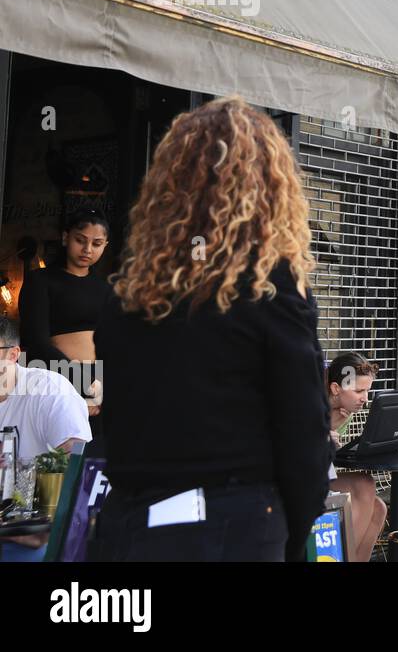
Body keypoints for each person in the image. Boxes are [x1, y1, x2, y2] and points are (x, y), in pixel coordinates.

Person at [91, 96, 331, 562]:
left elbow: (118, 432)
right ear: (269, 191)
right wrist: (286, 532)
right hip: (236, 527)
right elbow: (305, 440)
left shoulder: (126, 300)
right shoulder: (273, 289)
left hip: (131, 528)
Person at [0, 315, 91, 561]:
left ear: (12, 354)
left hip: (34, 536)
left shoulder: (49, 391)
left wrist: (49, 527)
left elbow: (77, 465)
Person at [18, 209, 113, 418]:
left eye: (97, 244)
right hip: (55, 382)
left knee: (96, 449)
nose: (87, 249)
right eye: (80, 240)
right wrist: (85, 383)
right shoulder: (40, 281)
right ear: (65, 237)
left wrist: (105, 385)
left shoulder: (105, 289)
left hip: (99, 389)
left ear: (105, 246)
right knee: (57, 448)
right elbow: (37, 342)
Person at [326, 352, 387, 563]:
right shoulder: (308, 404)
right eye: (359, 390)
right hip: (291, 482)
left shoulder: (344, 411)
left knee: (378, 508)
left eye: (367, 391)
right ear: (335, 388)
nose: (365, 398)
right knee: (363, 484)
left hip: (318, 476)